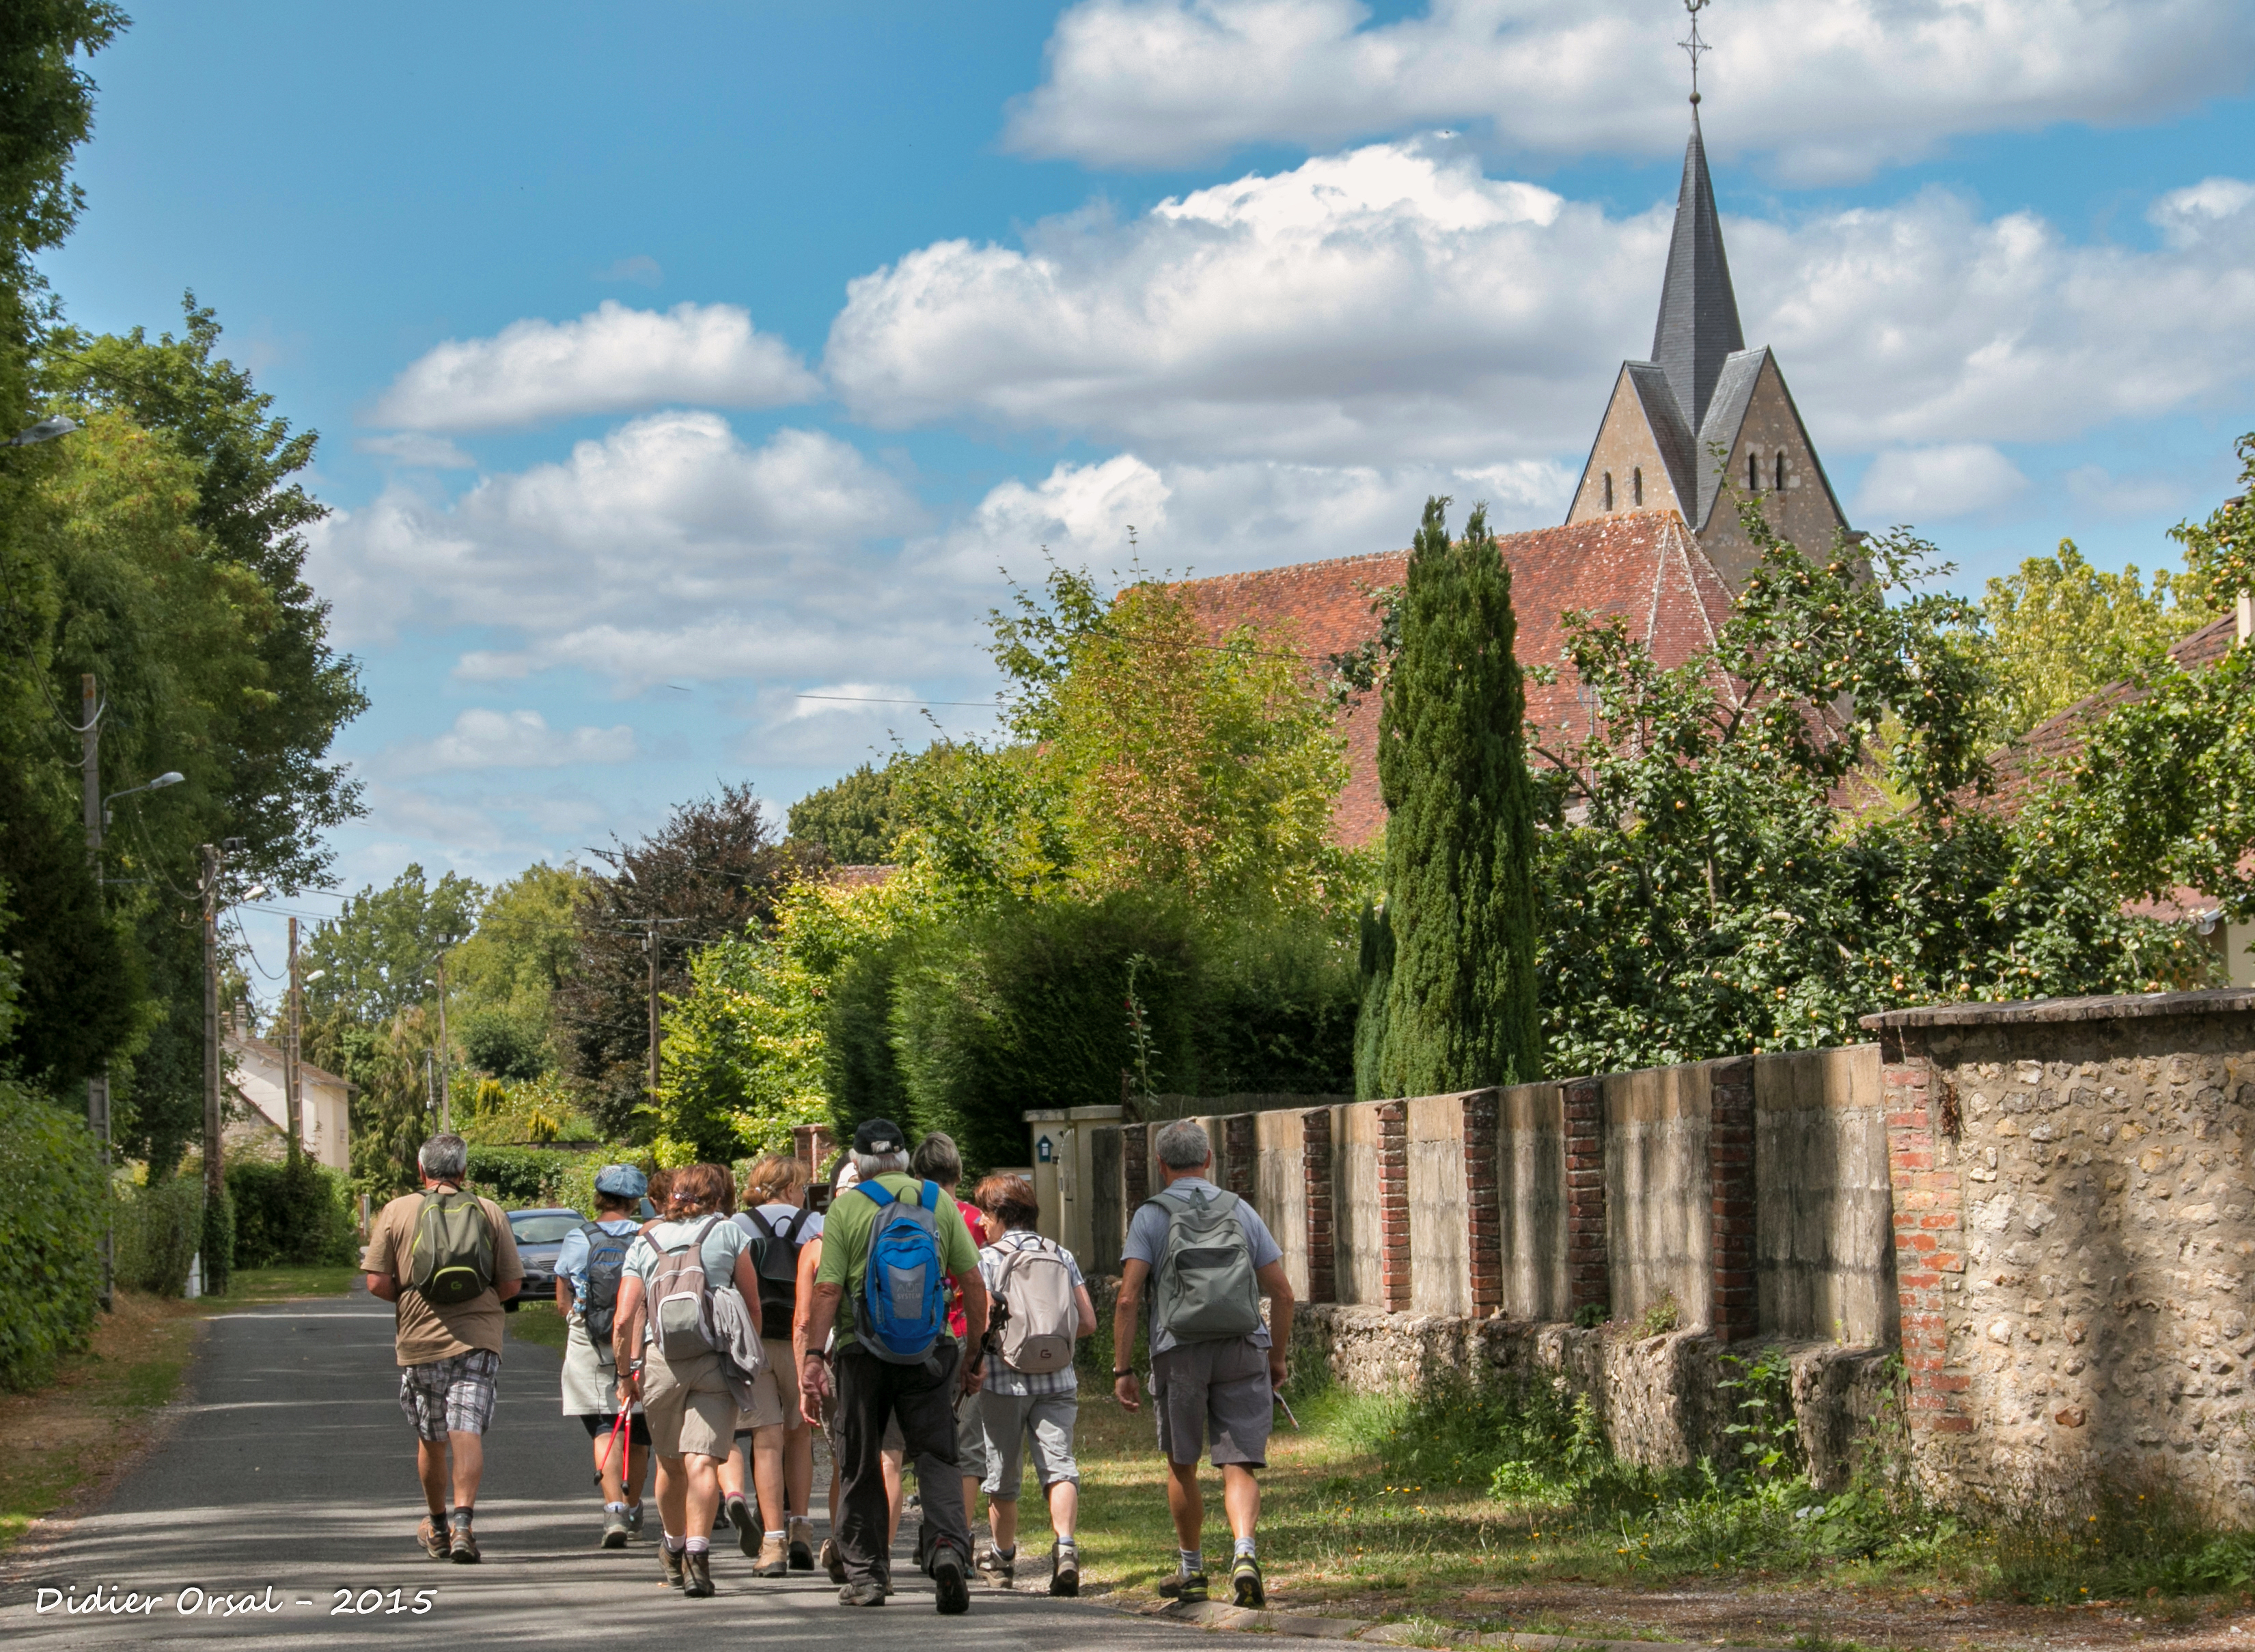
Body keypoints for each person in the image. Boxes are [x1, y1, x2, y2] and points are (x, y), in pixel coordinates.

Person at [799, 1118, 988, 1613]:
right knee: (937, 1456)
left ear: (858, 1164)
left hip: (863, 1353)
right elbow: (973, 1283)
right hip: (931, 1351)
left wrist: (815, 1356)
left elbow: (827, 1288)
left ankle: (866, 1577)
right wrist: (973, 1354)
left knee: (861, 1462)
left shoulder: (847, 1207)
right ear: (904, 1158)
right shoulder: (936, 1200)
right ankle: (947, 1547)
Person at [1113, 1118, 1294, 1609]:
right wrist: (1275, 1356)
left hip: (1179, 1349)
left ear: (1160, 1164)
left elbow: (1128, 1298)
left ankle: (1192, 1572)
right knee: (1238, 1463)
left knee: (1182, 1461)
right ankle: (1244, 1554)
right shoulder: (1239, 1209)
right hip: (1242, 1345)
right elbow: (1282, 1292)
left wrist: (1121, 1368)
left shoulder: (1151, 1216)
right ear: (1208, 1159)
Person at [613, 1162, 777, 1599]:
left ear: (670, 1197)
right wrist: (749, 1354)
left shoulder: (643, 1241)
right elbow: (752, 1304)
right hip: (716, 1359)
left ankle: (673, 1545)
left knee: (669, 1463)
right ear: (718, 1199)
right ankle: (699, 1561)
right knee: (703, 1461)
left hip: (661, 1360)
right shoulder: (727, 1233)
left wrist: (626, 1373)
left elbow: (624, 1317)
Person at [363, 1133, 525, 1565]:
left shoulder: (397, 1211)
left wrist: (411, 1296)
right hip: (478, 1341)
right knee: (466, 1429)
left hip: (420, 1340)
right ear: (463, 1171)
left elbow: (377, 1282)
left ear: (422, 1170)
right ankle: (465, 1527)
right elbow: (511, 1285)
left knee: (432, 1437)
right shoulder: (488, 1211)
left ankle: (437, 1526)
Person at [971, 1173, 1096, 1595]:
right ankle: (1065, 1550)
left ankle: (1003, 1559)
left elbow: (983, 1323)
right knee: (1060, 1466)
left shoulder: (986, 1260)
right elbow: (1089, 1321)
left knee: (1002, 1473)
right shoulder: (1061, 1254)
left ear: (1000, 1214)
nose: (982, 1223)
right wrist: (1049, 1341)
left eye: (985, 1213)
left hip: (1003, 1381)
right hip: (1058, 1377)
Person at [796, 1155, 906, 1586]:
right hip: (905, 1352)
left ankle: (852, 1549)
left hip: (845, 1357)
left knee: (850, 1460)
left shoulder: (822, 1243)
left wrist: (806, 1368)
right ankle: (884, 1555)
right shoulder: (910, 1221)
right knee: (889, 1459)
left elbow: (805, 1318)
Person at [555, 1164, 652, 1546]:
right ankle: (632, 1508)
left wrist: (578, 1320)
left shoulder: (578, 1237)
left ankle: (613, 1511)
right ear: (634, 1200)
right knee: (639, 1432)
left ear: (599, 1196)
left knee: (603, 1425)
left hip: (590, 1339)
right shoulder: (646, 1236)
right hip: (638, 1337)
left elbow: (562, 1295)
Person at [908, 1130, 989, 1564]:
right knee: (966, 1443)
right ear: (958, 1171)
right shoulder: (976, 1220)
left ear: (917, 1172)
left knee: (926, 1440)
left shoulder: (910, 1210)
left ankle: (927, 1535)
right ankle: (957, 1539)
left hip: (918, 1337)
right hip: (963, 1333)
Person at [738, 1155, 822, 1569]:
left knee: (764, 1440)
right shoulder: (815, 1225)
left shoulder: (737, 1226)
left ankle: (772, 1543)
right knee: (800, 1435)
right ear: (792, 1188)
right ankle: (802, 1527)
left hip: (755, 1343)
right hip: (800, 1343)